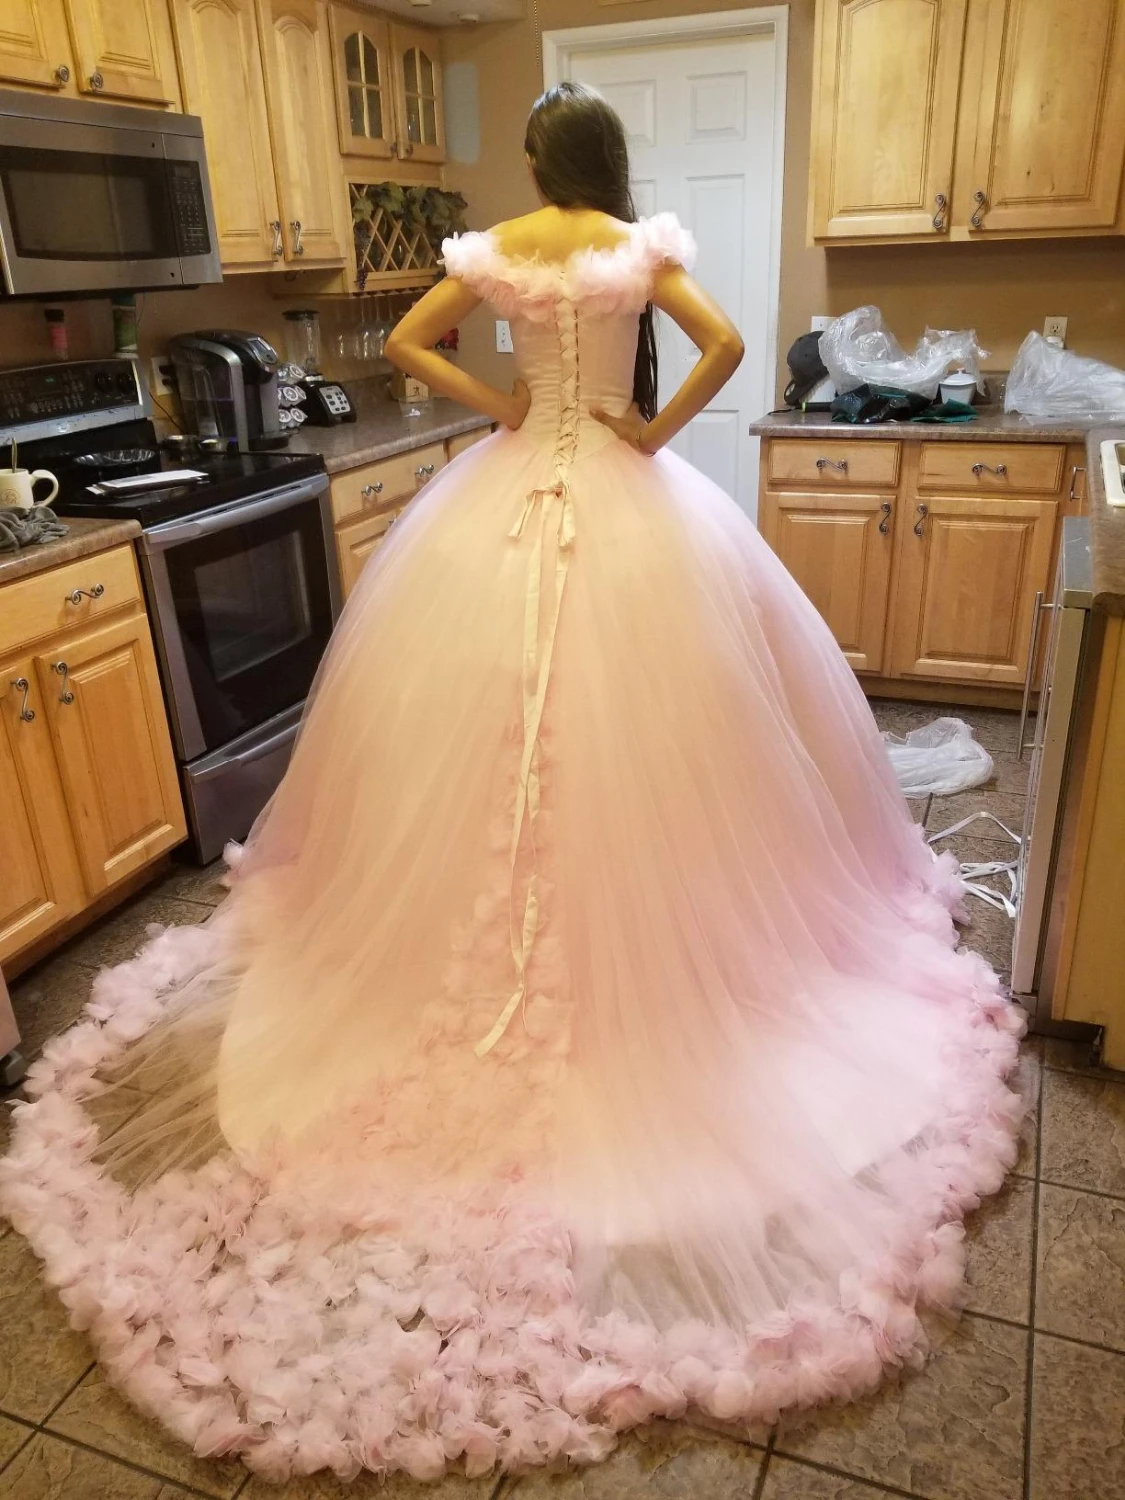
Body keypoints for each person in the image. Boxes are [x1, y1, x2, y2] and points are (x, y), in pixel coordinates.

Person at [0, 83, 1023, 1486]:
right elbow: (726, 346)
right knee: (673, 726)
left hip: (508, 482)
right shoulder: (634, 248)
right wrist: (645, 434)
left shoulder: (499, 250)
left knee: (479, 724)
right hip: (625, 489)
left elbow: (412, 343)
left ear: (537, 162)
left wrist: (504, 408)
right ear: (607, 160)